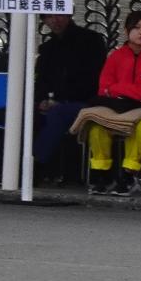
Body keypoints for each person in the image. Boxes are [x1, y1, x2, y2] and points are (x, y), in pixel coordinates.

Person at [77, 11, 141, 195]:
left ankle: (128, 173)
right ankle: (101, 173)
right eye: (137, 28)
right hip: (117, 112)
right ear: (127, 30)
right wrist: (135, 92)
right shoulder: (116, 57)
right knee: (97, 127)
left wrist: (121, 89)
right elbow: (104, 88)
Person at [29, 12, 106, 178]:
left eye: (59, 15)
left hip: (85, 103)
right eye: (49, 17)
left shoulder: (91, 41)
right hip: (53, 103)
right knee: (21, 112)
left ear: (69, 15)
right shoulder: (48, 48)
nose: (55, 20)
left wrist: (61, 100)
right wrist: (41, 100)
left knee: (58, 113)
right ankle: (6, 167)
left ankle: (34, 166)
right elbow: (41, 81)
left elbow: (95, 80)